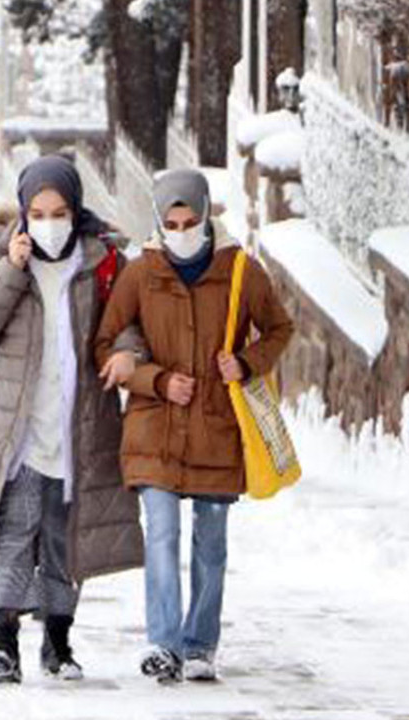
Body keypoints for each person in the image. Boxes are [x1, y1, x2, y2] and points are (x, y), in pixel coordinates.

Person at [0, 156, 145, 685]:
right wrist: (12, 268)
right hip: (14, 427)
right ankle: (2, 643)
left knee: (63, 539)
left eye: (61, 211)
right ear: (23, 212)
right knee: (11, 532)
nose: (50, 220)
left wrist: (128, 353)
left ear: (76, 210)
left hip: (78, 425)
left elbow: (129, 325)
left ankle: (58, 642)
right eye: (39, 211)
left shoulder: (102, 261)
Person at [94, 169, 294, 683]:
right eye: (171, 222)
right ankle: (163, 643)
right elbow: (106, 343)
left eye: (190, 221)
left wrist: (247, 362)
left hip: (216, 428)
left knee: (211, 542)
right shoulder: (140, 273)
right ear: (159, 223)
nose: (181, 230)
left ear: (207, 217)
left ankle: (200, 644)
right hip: (154, 428)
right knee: (161, 534)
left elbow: (279, 328)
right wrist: (155, 380)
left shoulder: (241, 271)